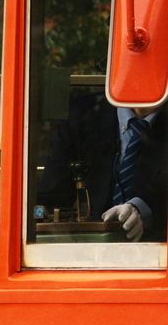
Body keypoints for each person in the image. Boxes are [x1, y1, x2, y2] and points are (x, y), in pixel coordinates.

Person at [37, 91, 168, 241]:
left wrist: (142, 206)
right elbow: (52, 192)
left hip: (157, 251)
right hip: (89, 251)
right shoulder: (80, 115)